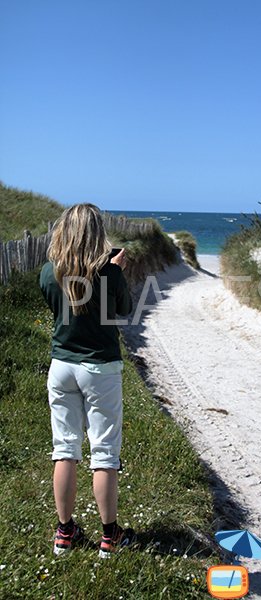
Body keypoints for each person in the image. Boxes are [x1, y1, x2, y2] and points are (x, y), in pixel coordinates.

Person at [39, 203, 135, 558]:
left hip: (62, 365)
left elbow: (59, 310)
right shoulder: (108, 274)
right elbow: (122, 310)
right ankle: (109, 536)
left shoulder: (50, 272)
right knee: (104, 453)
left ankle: (64, 532)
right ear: (98, 235)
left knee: (64, 449)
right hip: (100, 368)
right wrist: (116, 272)